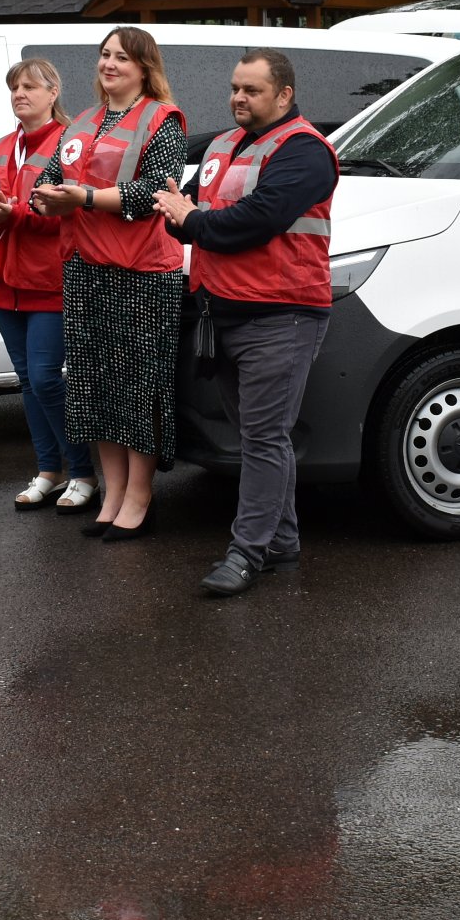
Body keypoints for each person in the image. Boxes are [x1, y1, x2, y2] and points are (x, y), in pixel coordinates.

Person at [155, 49, 338, 597]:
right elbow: (186, 217)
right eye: (236, 87)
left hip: (281, 313)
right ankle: (280, 541)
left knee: (262, 438)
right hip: (222, 310)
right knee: (260, 437)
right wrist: (190, 218)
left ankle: (246, 552)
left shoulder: (305, 150)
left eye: (251, 90)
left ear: (283, 94)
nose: (238, 98)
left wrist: (194, 219)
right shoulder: (220, 145)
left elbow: (257, 221)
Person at [30, 26, 188, 542]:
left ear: (145, 67)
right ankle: (113, 491)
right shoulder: (82, 121)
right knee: (95, 383)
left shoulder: (162, 120)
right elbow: (50, 177)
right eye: (104, 55)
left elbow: (151, 194)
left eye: (122, 57)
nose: (109, 64)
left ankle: (140, 495)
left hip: (141, 271)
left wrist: (84, 199)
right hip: (85, 267)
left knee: (138, 386)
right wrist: (44, 197)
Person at [0, 59, 95, 512]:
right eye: (14, 87)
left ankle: (81, 470)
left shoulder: (69, 144)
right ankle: (48, 470)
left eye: (30, 86)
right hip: (5, 282)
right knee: (26, 380)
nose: (20, 93)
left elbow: (70, 213)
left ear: (53, 91)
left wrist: (13, 215)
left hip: (49, 282)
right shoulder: (2, 147)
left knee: (45, 378)